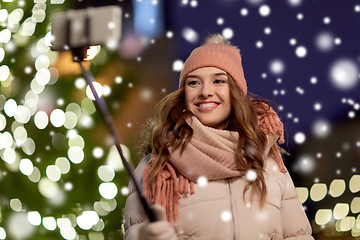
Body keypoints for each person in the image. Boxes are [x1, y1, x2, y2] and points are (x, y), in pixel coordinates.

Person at [123, 34, 314, 240]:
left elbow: (297, 236)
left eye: (218, 81)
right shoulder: (158, 167)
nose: (205, 91)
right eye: (194, 82)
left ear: (235, 93)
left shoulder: (270, 166)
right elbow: (134, 231)